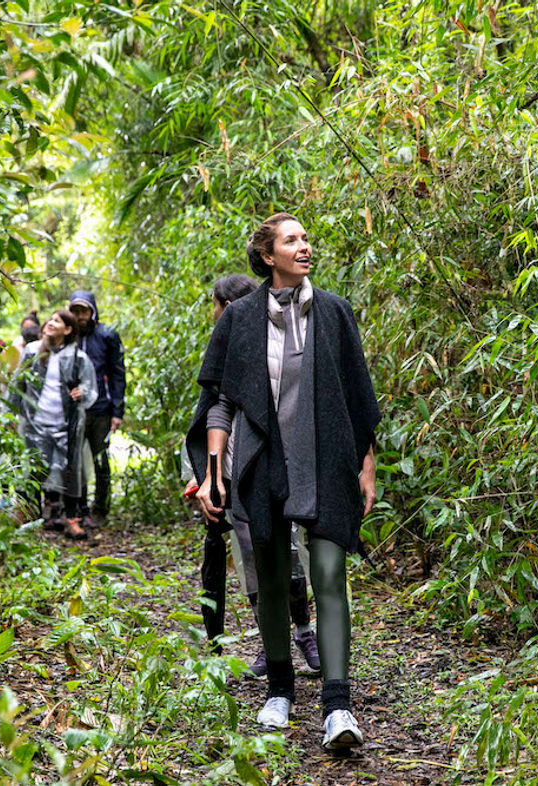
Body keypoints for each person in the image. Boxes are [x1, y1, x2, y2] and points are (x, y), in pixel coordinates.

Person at [187, 213, 380, 750]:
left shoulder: (336, 313)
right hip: (262, 464)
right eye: (291, 240)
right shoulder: (240, 318)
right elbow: (221, 402)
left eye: (305, 238)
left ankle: (338, 708)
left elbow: (358, 401)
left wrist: (366, 466)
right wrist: (211, 475)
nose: (304, 246)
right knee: (271, 579)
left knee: (327, 573)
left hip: (325, 462)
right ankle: (279, 691)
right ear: (268, 256)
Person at [186, 274, 320, 677]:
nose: (214, 314)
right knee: (252, 563)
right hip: (233, 471)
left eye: (215, 306)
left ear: (227, 307)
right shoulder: (225, 348)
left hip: (280, 466)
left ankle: (303, 632)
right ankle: (270, 642)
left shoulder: (283, 341)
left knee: (292, 560)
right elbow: (211, 411)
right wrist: (207, 476)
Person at [10, 310, 98, 540]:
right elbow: (17, 384)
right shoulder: (31, 351)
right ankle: (28, 518)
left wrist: (83, 392)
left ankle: (72, 519)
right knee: (32, 469)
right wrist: (10, 414)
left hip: (66, 424)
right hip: (35, 422)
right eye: (50, 319)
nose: (50, 323)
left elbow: (90, 386)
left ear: (68, 330)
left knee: (70, 471)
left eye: (57, 321)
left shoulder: (78, 356)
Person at [68, 290, 126, 527]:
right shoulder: (67, 336)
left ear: (93, 310)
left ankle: (100, 509)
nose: (80, 316)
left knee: (100, 460)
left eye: (84, 310)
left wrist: (117, 411)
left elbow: (118, 374)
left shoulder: (107, 335)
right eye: (75, 311)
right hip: (74, 411)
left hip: (101, 409)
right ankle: (80, 509)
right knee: (75, 462)